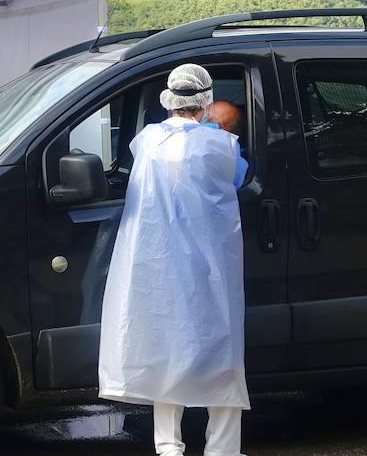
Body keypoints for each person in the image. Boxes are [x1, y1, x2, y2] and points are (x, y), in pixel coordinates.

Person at [99, 64, 249, 456]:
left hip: (158, 264)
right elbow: (238, 178)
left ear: (169, 100)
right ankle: (222, 449)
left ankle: (168, 447)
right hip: (209, 267)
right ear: (206, 101)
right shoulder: (222, 146)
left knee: (166, 349)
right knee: (223, 352)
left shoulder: (145, 141)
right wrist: (217, 134)